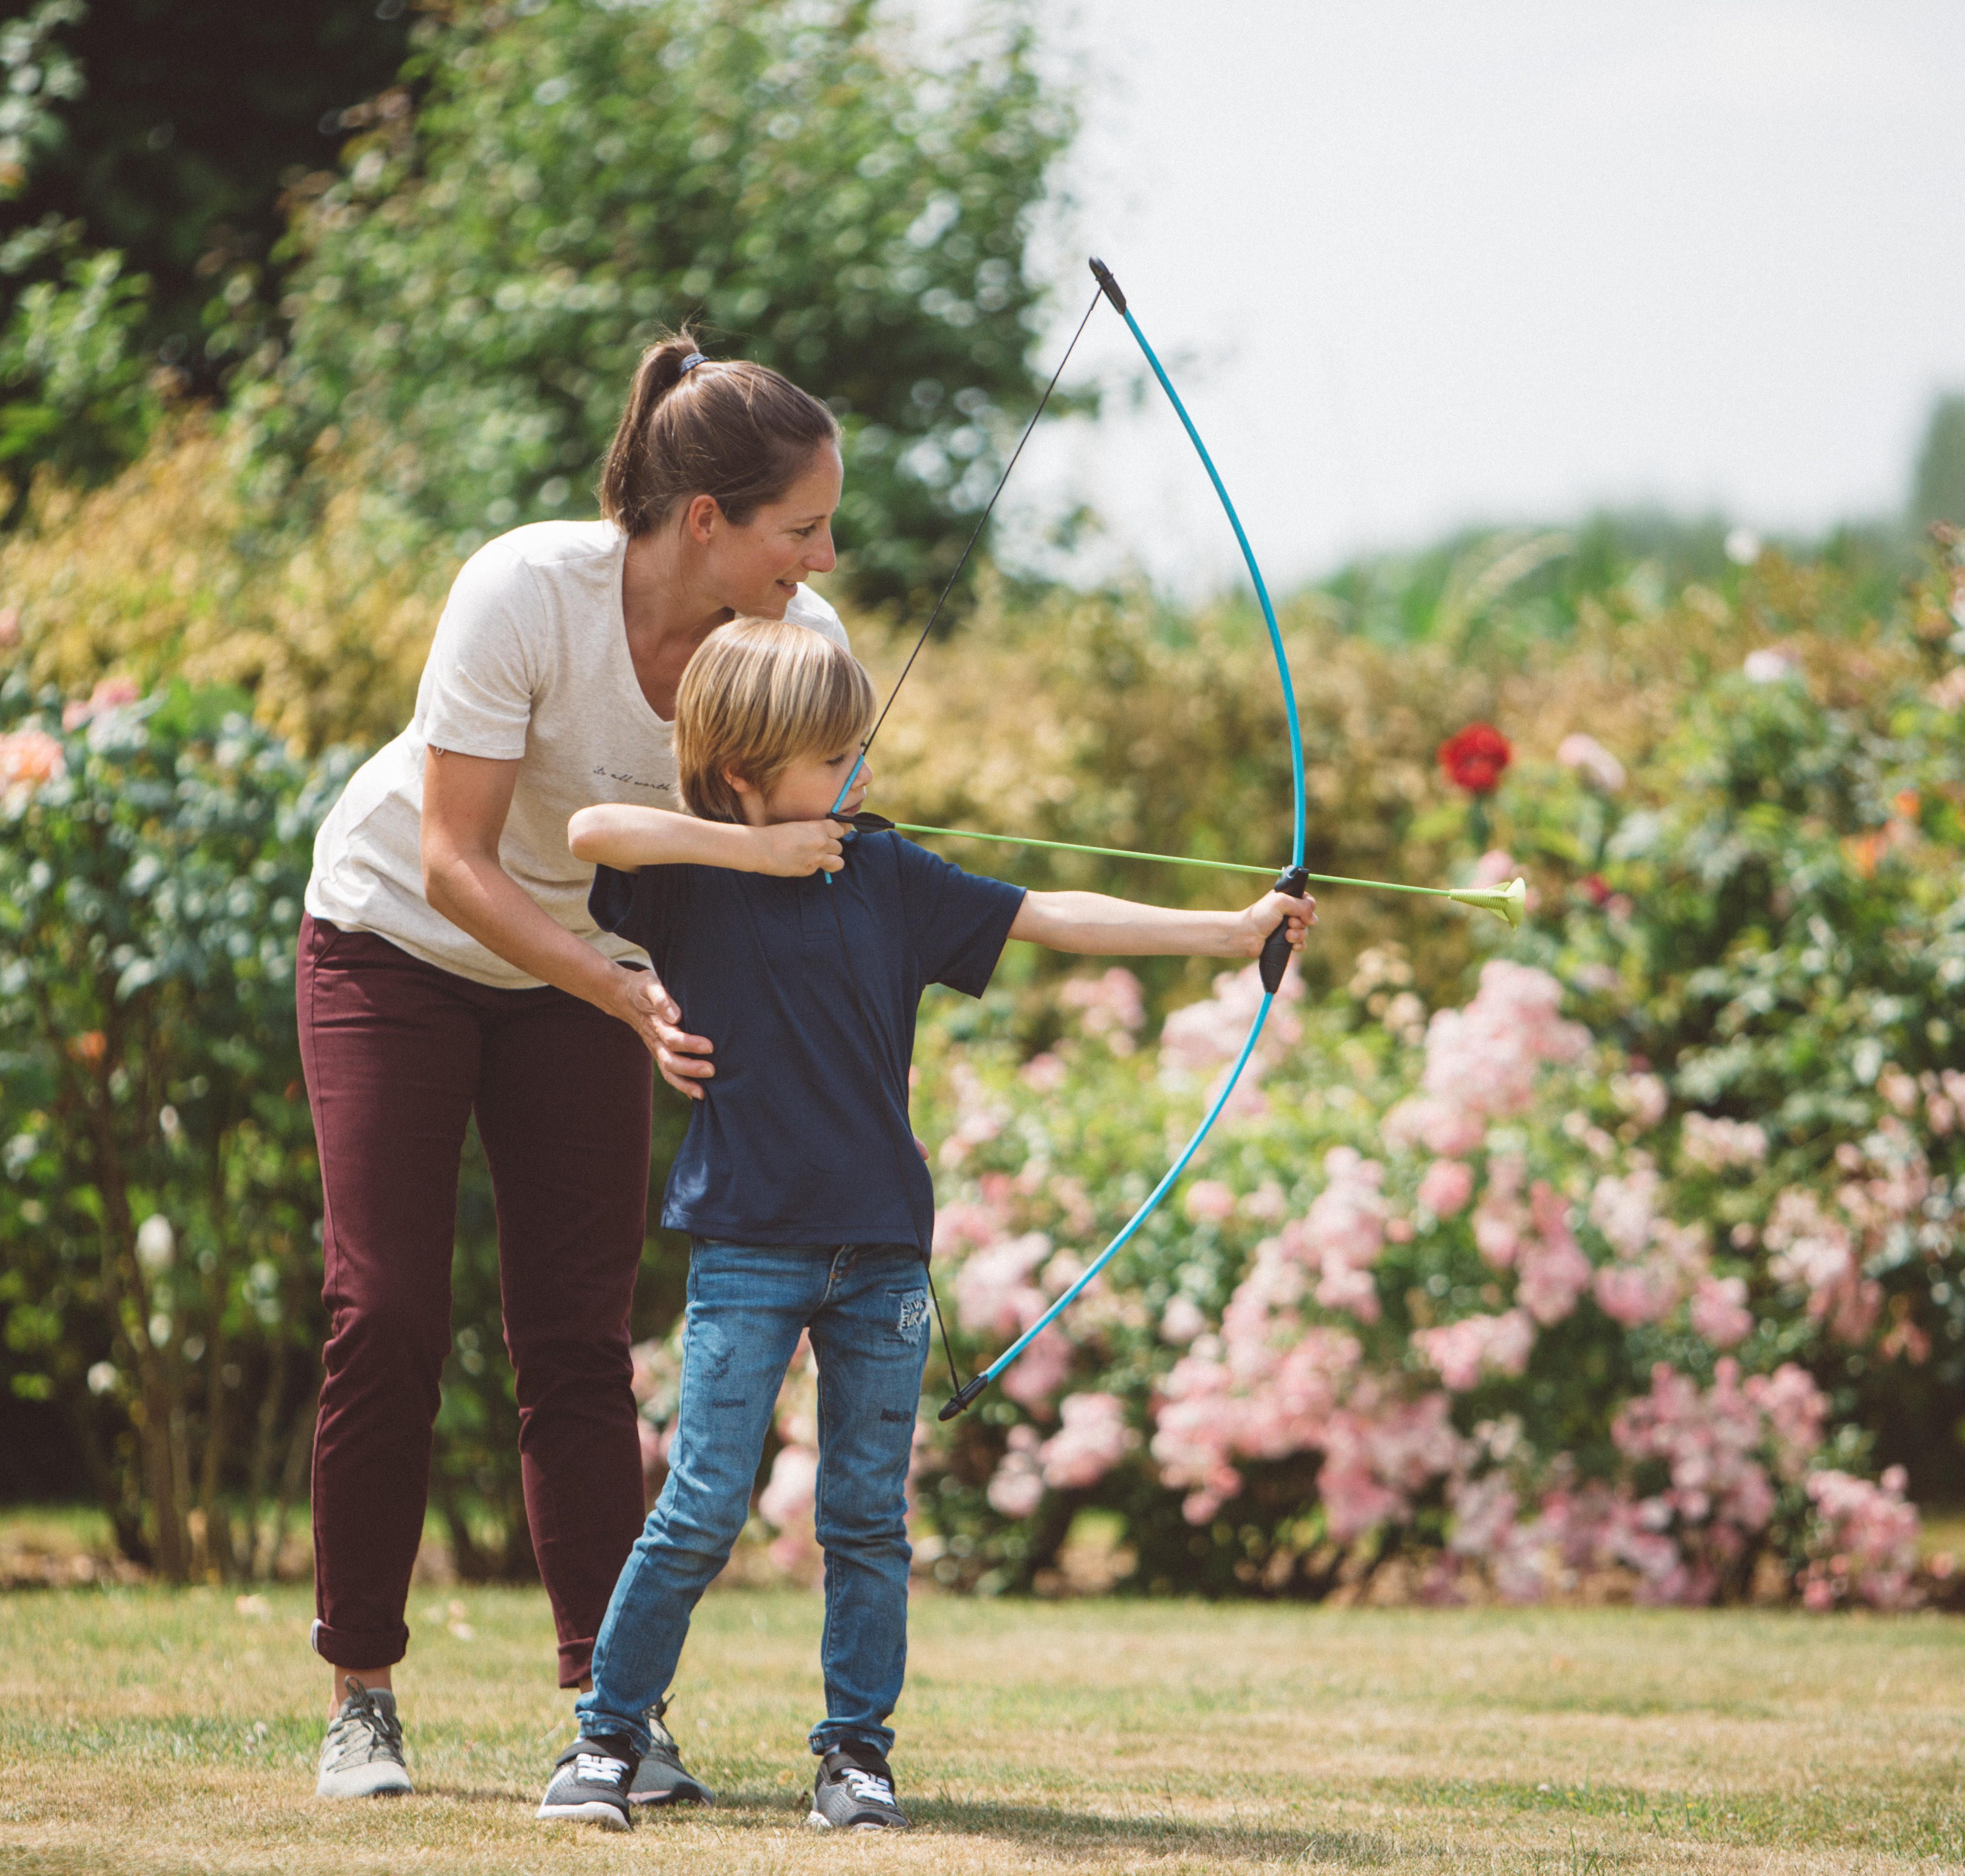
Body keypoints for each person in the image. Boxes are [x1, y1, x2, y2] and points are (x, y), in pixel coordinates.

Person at [532, 620, 1317, 1830]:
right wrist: (759, 851)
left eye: (859, 751)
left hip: (881, 1251)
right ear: (744, 767)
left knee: (865, 1516)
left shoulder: (886, 874)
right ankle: (608, 1741)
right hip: (746, 1242)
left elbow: (1049, 914)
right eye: (833, 757)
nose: (858, 776)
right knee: (701, 1500)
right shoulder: (688, 883)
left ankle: (855, 1755)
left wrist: (1227, 932)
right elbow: (592, 831)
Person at [294, 333, 851, 1801]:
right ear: (707, 520)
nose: (826, 557)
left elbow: (792, 872)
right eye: (804, 527)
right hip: (396, 943)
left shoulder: (802, 651)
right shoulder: (525, 590)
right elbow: (453, 859)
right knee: (389, 1308)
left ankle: (616, 1718)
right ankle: (362, 1694)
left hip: (586, 985)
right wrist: (619, 989)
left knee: (578, 1342)